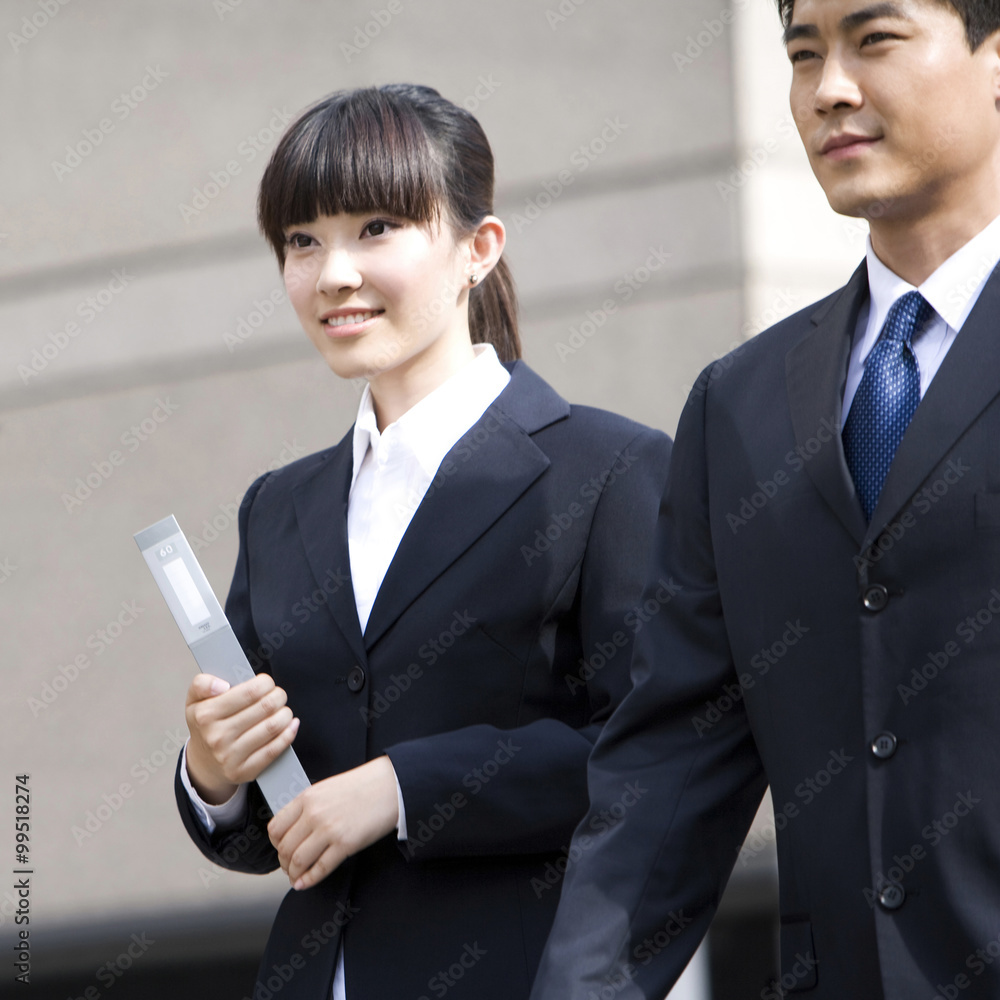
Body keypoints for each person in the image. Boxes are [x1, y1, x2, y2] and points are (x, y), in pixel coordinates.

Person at [528, 1, 1000, 998]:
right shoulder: (737, 405)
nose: (827, 87)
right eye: (801, 53)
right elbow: (668, 765)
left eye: (873, 41)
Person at [172, 84, 671, 1000]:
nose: (333, 274)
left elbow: (652, 752)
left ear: (478, 249)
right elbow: (273, 830)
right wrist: (215, 775)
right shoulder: (278, 509)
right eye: (302, 240)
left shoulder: (609, 471)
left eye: (377, 228)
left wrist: (406, 786)